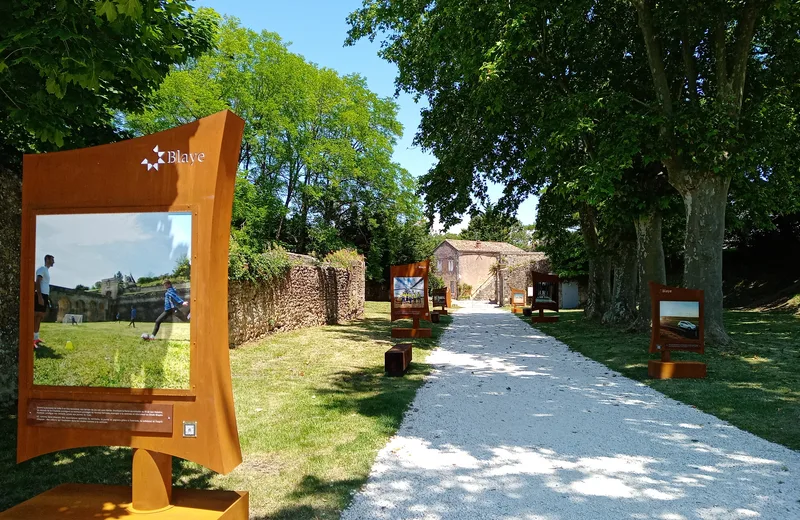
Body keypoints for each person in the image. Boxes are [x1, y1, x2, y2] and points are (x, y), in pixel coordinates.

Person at [34, 254, 55, 348]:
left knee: (40, 316)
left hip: (45, 295)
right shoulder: (42, 269)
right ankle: (30, 339)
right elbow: (37, 281)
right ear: (47, 259)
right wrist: (39, 296)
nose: (53, 262)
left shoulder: (46, 270)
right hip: (40, 295)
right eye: (52, 260)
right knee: (35, 316)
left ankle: (36, 338)